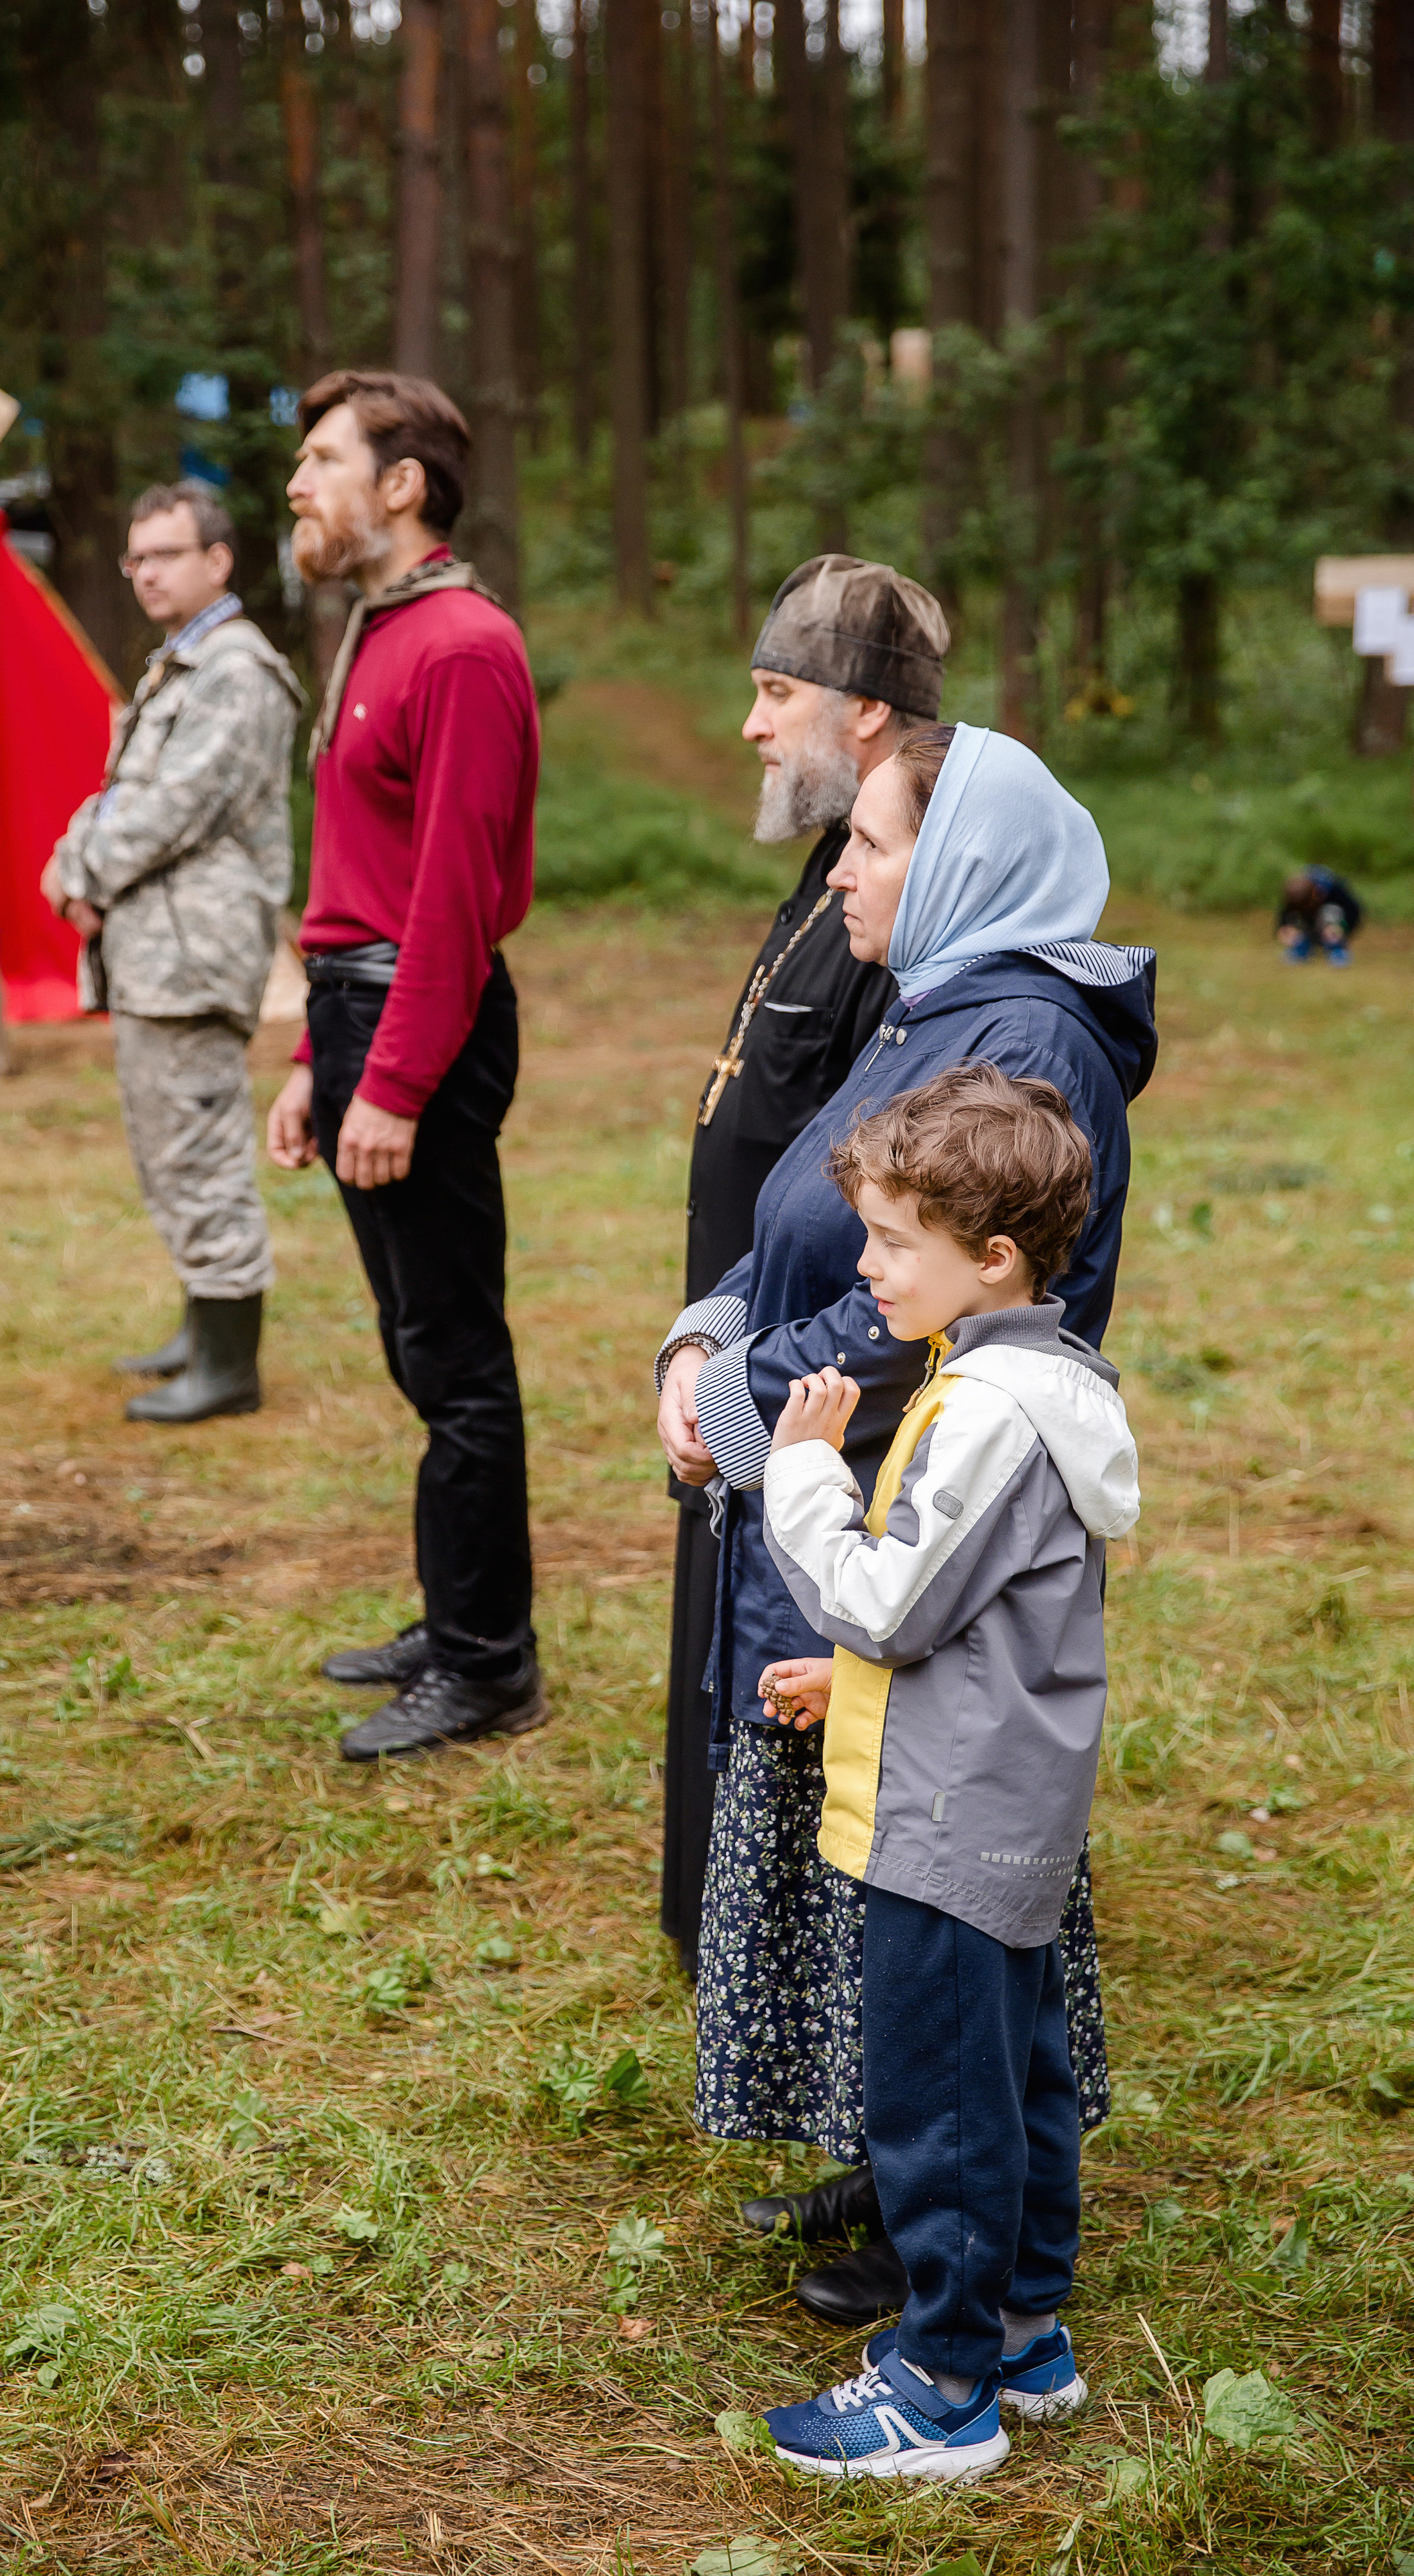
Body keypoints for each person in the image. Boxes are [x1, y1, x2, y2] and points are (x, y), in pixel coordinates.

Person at [655, 721, 1156, 2328]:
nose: (843, 872)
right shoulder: (931, 997)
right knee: (864, 1856)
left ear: (950, 861)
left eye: (868, 845)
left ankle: (949, 2268)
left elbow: (907, 1293)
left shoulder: (1020, 1032)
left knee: (931, 1912)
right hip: (852, 1491)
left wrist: (754, 1419)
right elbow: (818, 1210)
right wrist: (704, 1332)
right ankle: (893, 2165)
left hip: (888, 1502)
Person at [754, 1063, 1138, 2482]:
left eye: (889, 1241)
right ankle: (1023, 2332)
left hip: (943, 1817)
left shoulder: (981, 1410)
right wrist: (841, 1679)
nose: (862, 1265)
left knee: (938, 2100)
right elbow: (967, 1617)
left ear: (988, 1260)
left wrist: (799, 1474)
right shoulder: (1036, 1380)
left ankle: (939, 2385)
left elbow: (886, 1601)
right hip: (999, 1802)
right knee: (1016, 2069)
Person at [663, 556, 948, 1984]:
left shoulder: (899, 925)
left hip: (813, 1391)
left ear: (868, 720)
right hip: (744, 1359)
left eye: (776, 694)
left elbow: (878, 1209)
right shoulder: (825, 874)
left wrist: (746, 1377)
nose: (750, 726)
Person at [266, 372, 542, 1763]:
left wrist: (394, 1079)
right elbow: (359, 883)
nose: (296, 486)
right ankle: (458, 1617)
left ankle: (490, 1665)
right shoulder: (376, 634)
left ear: (401, 486)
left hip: (414, 1024)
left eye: (321, 460)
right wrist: (322, 1060)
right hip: (360, 1015)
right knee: (421, 1351)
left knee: (457, 1358)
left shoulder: (461, 648)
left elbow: (449, 897)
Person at [44, 480, 304, 1424]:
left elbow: (171, 809)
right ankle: (202, 1329)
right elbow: (121, 793)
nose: (145, 572)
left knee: (200, 1153)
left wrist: (79, 873)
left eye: (165, 554)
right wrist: (80, 855)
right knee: (167, 1151)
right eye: (136, 557)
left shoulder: (236, 672)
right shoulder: (181, 665)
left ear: (218, 561)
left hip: (195, 955)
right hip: (158, 952)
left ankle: (230, 1367)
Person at [1277, 863, 1361, 965]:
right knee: (1294, 918)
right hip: (1309, 927)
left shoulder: (1334, 889)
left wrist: (1343, 927)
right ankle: (1301, 949)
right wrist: (1284, 929)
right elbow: (1284, 913)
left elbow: (1354, 910)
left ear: (1315, 893)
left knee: (1330, 912)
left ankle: (1337, 950)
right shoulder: (1296, 893)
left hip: (1329, 925)